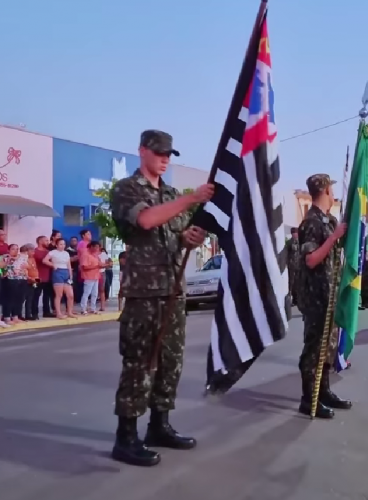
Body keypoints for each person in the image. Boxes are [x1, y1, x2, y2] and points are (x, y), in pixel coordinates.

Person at [108, 129, 214, 467]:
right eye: (159, 153)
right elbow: (146, 219)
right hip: (144, 292)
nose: (165, 159)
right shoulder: (127, 189)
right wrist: (191, 199)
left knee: (170, 362)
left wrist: (190, 238)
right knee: (139, 363)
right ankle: (126, 437)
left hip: (172, 290)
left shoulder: (169, 192)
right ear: (142, 152)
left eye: (169, 154)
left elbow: (178, 234)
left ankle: (159, 425)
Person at [296, 173, 350, 419]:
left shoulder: (328, 220)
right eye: (331, 189)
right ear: (326, 190)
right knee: (314, 349)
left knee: (327, 347)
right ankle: (309, 399)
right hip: (315, 295)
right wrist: (334, 237)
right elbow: (311, 259)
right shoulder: (311, 222)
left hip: (329, 293)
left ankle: (324, 391)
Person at [43, 238, 75, 319]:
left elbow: (69, 265)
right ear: (56, 245)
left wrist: (70, 275)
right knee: (59, 295)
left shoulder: (66, 253)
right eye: (60, 244)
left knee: (70, 295)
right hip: (58, 273)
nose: (62, 246)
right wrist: (53, 265)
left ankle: (69, 312)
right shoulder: (53, 252)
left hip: (66, 273)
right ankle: (58, 313)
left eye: (64, 244)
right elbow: (45, 260)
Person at [3, 244, 28, 324]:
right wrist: (11, 263)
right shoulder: (6, 258)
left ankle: (15, 316)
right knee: (9, 299)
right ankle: (6, 317)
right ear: (8, 250)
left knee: (19, 299)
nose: (16, 251)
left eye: (17, 249)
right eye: (13, 249)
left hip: (21, 279)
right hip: (10, 279)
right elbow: (5, 268)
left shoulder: (22, 258)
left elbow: (26, 266)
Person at [33, 236, 54, 318]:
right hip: (37, 277)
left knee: (47, 295)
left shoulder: (49, 252)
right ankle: (34, 313)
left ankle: (47, 312)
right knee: (36, 295)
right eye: (46, 240)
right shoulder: (35, 251)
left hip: (48, 276)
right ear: (40, 241)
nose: (48, 242)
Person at [79, 241, 102, 314]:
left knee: (95, 293)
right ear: (91, 246)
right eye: (96, 247)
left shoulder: (95, 255)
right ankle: (83, 309)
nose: (97, 249)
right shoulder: (85, 254)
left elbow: (99, 264)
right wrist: (97, 266)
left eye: (98, 247)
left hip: (96, 276)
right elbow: (84, 267)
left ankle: (93, 308)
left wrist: (106, 264)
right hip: (89, 276)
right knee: (87, 293)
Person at [22, 244, 40, 320]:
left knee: (30, 298)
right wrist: (30, 278)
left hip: (34, 281)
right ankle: (19, 314)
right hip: (26, 280)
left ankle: (28, 314)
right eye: (31, 250)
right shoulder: (24, 259)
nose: (33, 252)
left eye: (33, 250)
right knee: (23, 298)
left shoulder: (33, 259)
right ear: (26, 251)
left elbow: (34, 269)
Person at [287, 227, 300, 306]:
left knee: (299, 283)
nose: (295, 234)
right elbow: (286, 254)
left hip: (299, 265)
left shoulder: (301, 242)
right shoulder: (289, 243)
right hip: (291, 266)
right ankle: (292, 299)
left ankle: (298, 300)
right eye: (293, 233)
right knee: (291, 283)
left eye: (296, 233)